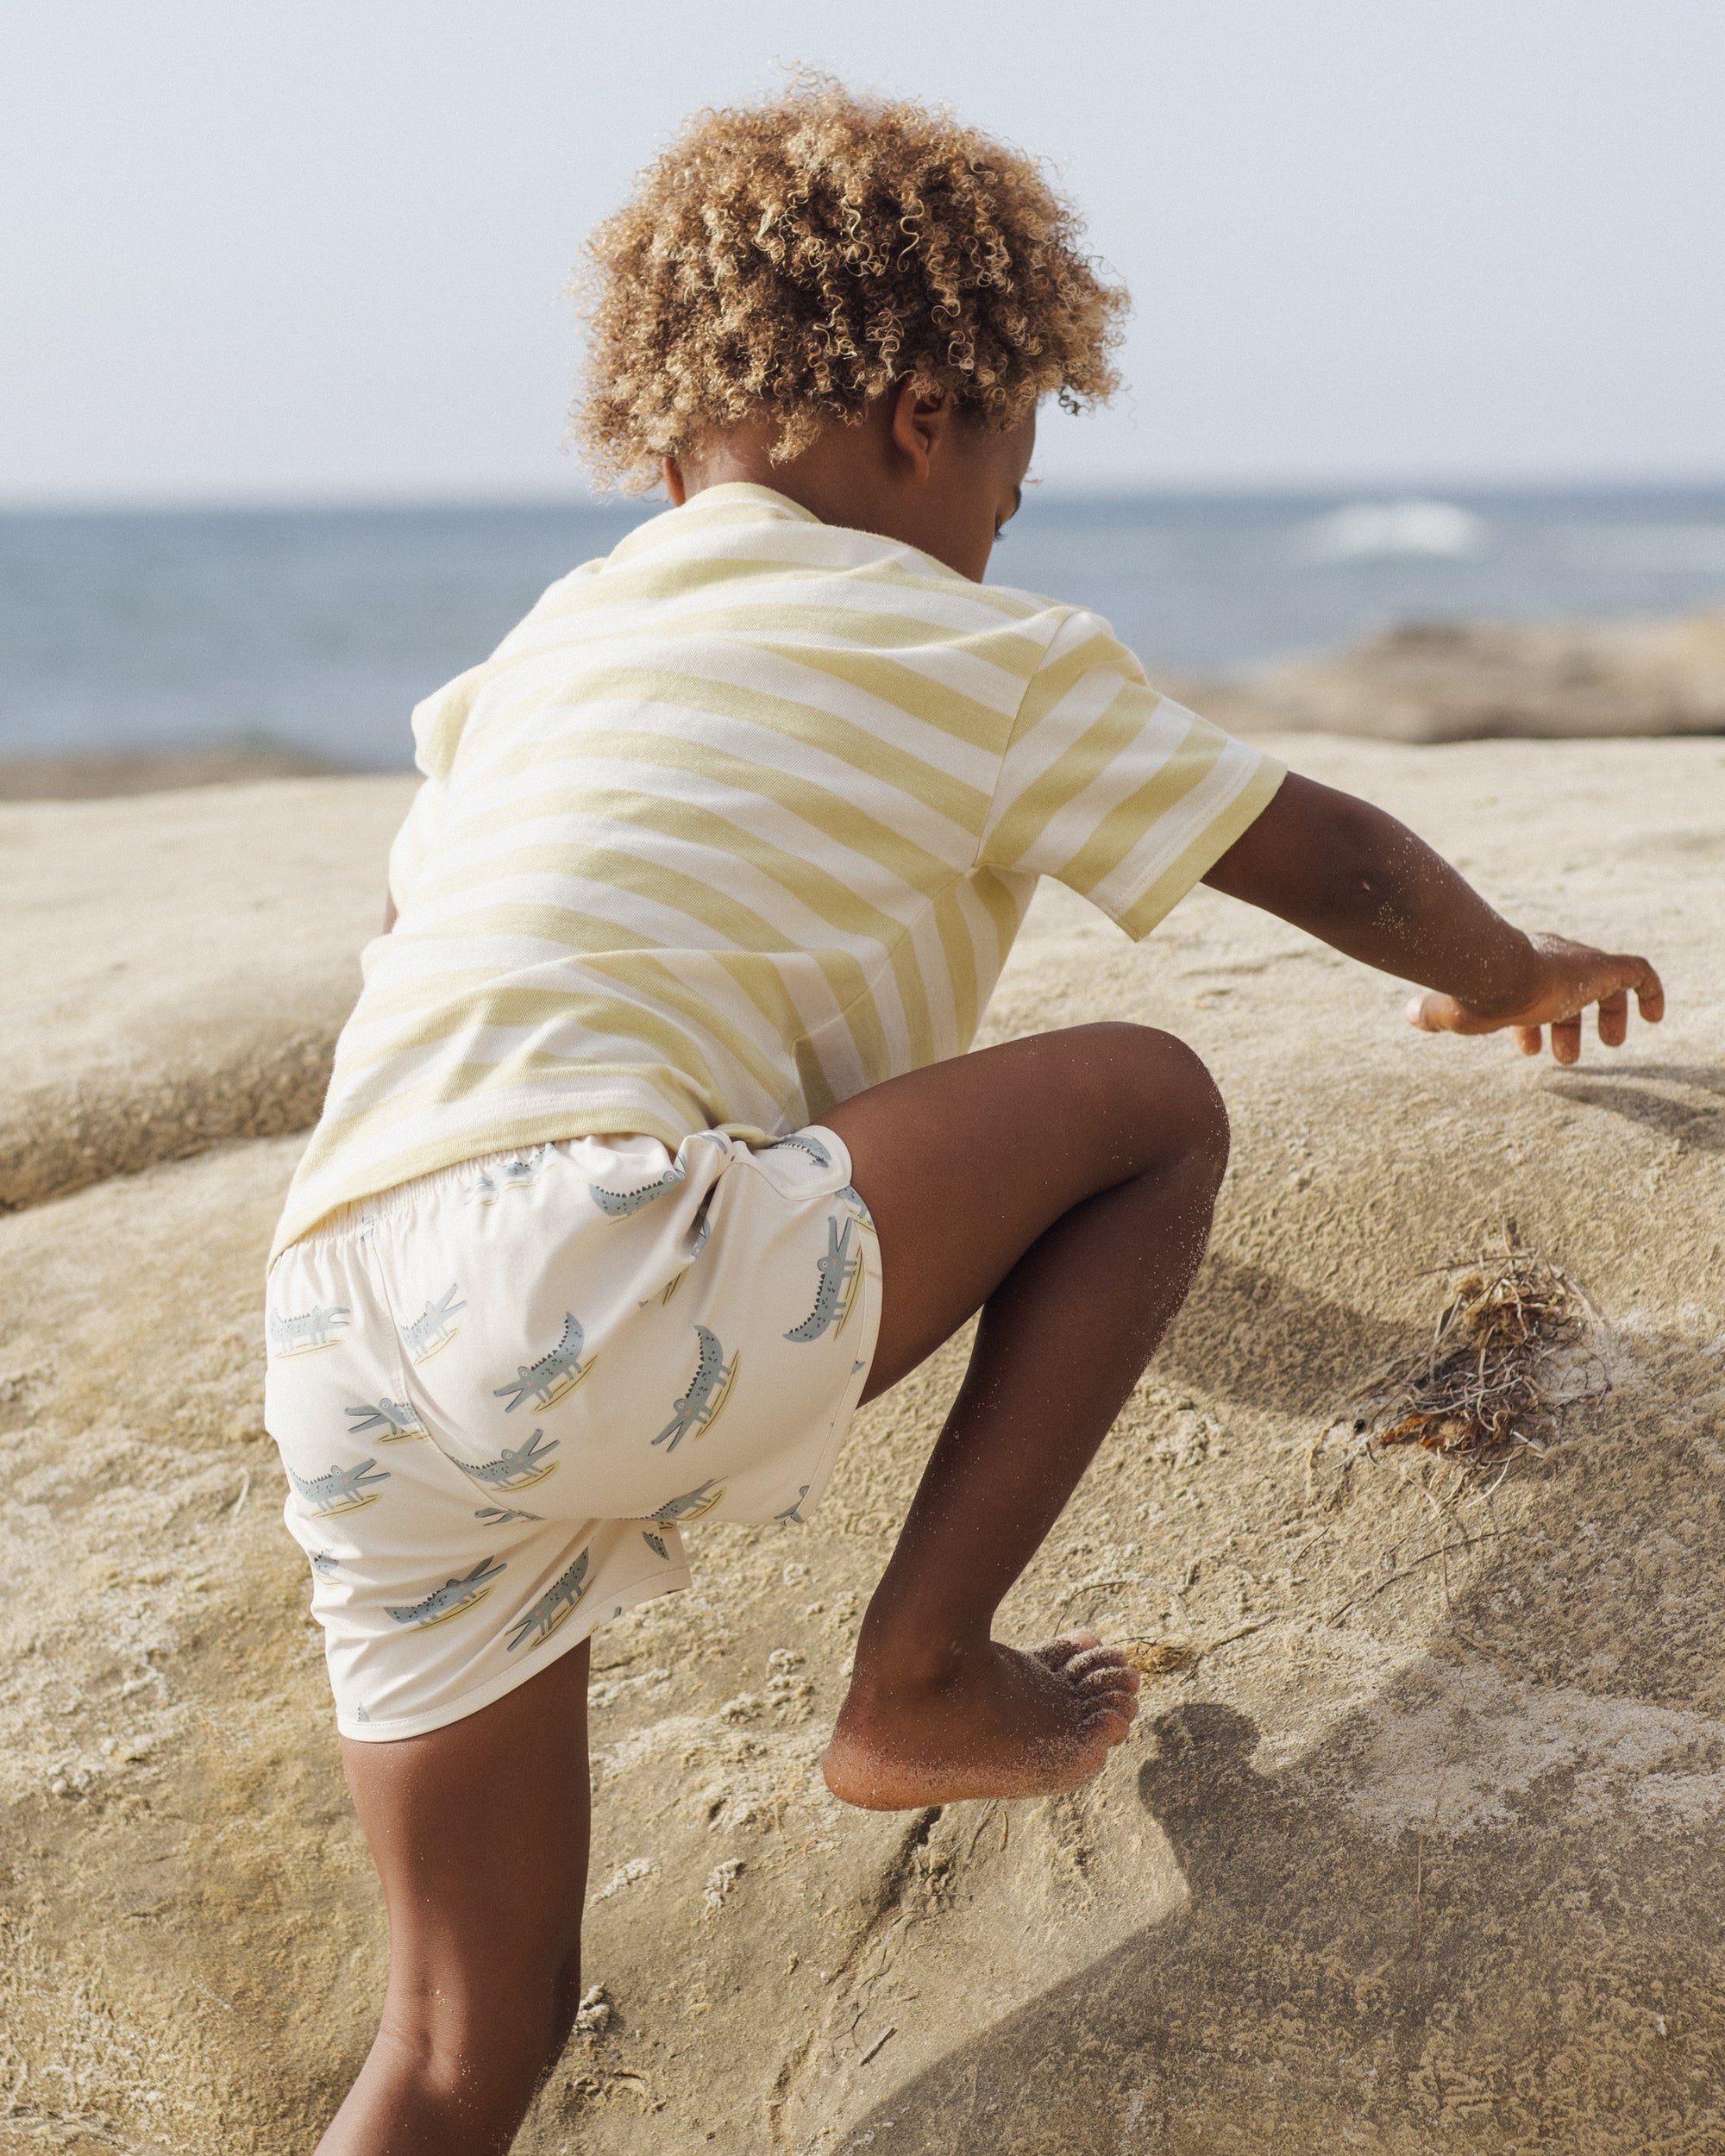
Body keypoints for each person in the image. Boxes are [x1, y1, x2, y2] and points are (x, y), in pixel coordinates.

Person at [262, 78, 1665, 2155]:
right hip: (605, 1251)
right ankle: (918, 1674)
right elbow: (1323, 851)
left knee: (462, 2033)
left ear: (668, 452)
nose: (1013, 512)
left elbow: (430, 920)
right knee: (1149, 1102)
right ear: (930, 413)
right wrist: (1501, 966)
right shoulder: (969, 641)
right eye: (1018, 452)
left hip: (340, 1319)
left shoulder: (543, 650)